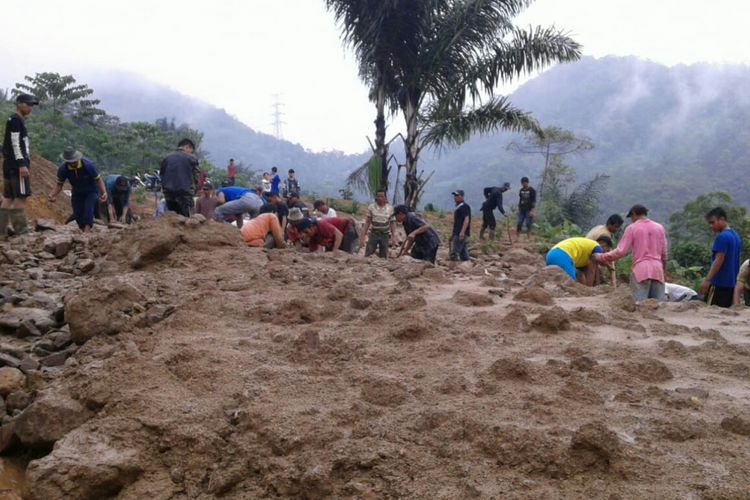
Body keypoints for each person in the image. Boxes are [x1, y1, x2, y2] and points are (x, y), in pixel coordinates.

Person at [598, 204, 668, 302]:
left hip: (641, 271)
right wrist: (663, 271)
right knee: (658, 307)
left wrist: (602, 257)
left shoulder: (632, 228)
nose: (632, 219)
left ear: (634, 213)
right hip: (658, 270)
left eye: (631, 217)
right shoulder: (659, 227)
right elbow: (664, 254)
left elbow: (621, 251)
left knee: (639, 306)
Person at [1, 93, 39, 239]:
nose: (30, 108)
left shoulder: (12, 120)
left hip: (8, 164)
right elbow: (16, 144)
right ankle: (21, 231)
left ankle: (1, 231)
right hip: (17, 165)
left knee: (8, 197)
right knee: (21, 197)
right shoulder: (16, 121)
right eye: (28, 105)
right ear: (20, 104)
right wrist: (22, 164)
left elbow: (8, 144)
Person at [48, 148, 107, 231]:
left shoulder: (88, 165)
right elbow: (59, 185)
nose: (73, 163)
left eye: (74, 161)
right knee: (77, 212)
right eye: (71, 162)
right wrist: (52, 194)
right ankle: (83, 229)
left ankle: (87, 231)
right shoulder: (63, 169)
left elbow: (98, 179)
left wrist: (103, 192)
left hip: (91, 190)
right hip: (77, 191)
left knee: (88, 209)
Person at [700, 207, 742, 308]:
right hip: (731, 284)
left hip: (719, 284)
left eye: (713, 222)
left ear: (722, 219)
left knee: (711, 313)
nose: (711, 226)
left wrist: (707, 280)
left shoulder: (722, 237)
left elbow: (719, 260)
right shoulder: (736, 236)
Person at [546, 236, 613, 286]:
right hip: (562, 255)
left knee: (553, 282)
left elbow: (581, 275)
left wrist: (584, 288)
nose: (605, 253)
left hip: (551, 254)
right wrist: (589, 290)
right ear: (603, 244)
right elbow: (591, 271)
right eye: (606, 250)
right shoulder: (597, 247)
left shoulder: (584, 255)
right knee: (570, 284)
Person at [160, 138, 199, 217]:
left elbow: (162, 175)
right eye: (191, 151)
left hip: (168, 193)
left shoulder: (166, 158)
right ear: (187, 147)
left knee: (173, 219)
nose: (191, 153)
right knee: (188, 219)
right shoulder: (191, 158)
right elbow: (196, 177)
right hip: (184, 193)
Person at [361, 190, 396, 258]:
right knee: (369, 253)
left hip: (385, 235)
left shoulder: (390, 208)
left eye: (382, 196)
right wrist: (363, 234)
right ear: (376, 197)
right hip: (374, 233)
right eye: (378, 196)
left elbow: (392, 222)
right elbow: (368, 221)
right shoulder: (371, 207)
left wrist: (393, 235)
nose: (380, 198)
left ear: (385, 198)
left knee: (384, 255)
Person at [450, 190, 471, 262]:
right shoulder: (459, 207)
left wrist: (462, 232)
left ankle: (452, 270)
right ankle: (467, 267)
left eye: (457, 196)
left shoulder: (464, 206)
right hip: (458, 233)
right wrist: (453, 234)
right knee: (463, 254)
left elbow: (466, 219)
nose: (455, 197)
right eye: (454, 196)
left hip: (460, 233)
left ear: (462, 196)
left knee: (454, 253)